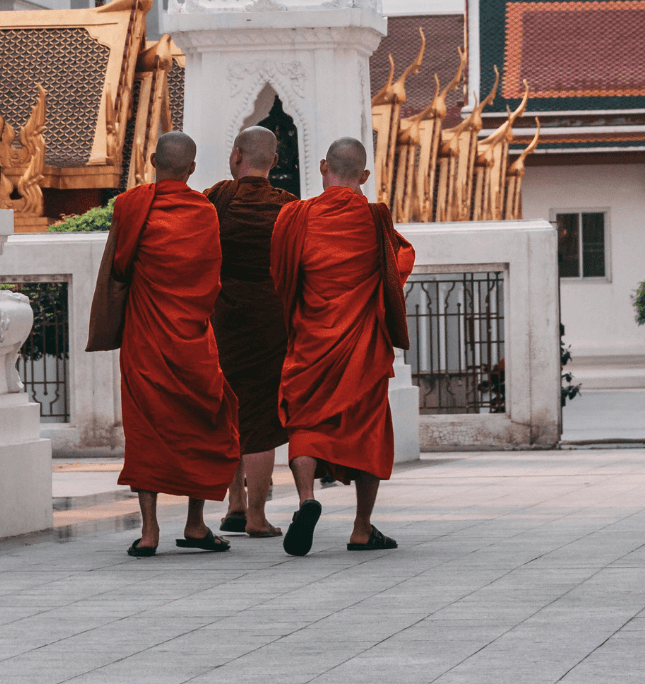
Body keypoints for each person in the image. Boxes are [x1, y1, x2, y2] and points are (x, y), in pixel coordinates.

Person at [89, 130, 240, 557]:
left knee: (146, 432)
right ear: (192, 169)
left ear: (152, 160)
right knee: (204, 422)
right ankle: (195, 524)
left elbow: (120, 264)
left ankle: (150, 530)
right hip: (192, 337)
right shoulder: (205, 212)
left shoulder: (131, 206)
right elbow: (211, 279)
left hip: (146, 339)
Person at [271, 135, 415, 557]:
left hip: (310, 341)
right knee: (368, 428)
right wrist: (376, 289)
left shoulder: (294, 217)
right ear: (364, 176)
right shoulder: (374, 219)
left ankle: (306, 501)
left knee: (305, 421)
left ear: (322, 168)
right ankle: (361, 527)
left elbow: (281, 276)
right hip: (361, 345)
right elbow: (401, 260)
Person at [205, 125, 296, 538]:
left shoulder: (216, 199)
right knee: (259, 416)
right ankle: (256, 515)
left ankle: (234, 506)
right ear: (274, 163)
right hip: (270, 321)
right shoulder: (290, 208)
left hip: (222, 318)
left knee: (229, 411)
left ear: (235, 155)